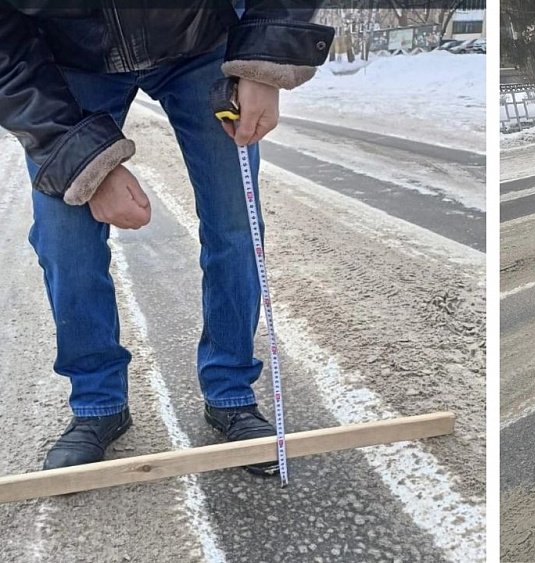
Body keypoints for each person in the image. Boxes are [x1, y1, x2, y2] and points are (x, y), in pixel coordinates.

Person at [0, 3, 334, 474]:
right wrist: (82, 162)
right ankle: (98, 403)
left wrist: (262, 60)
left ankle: (231, 392)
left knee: (234, 222)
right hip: (65, 60)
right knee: (63, 238)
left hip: (201, 41)